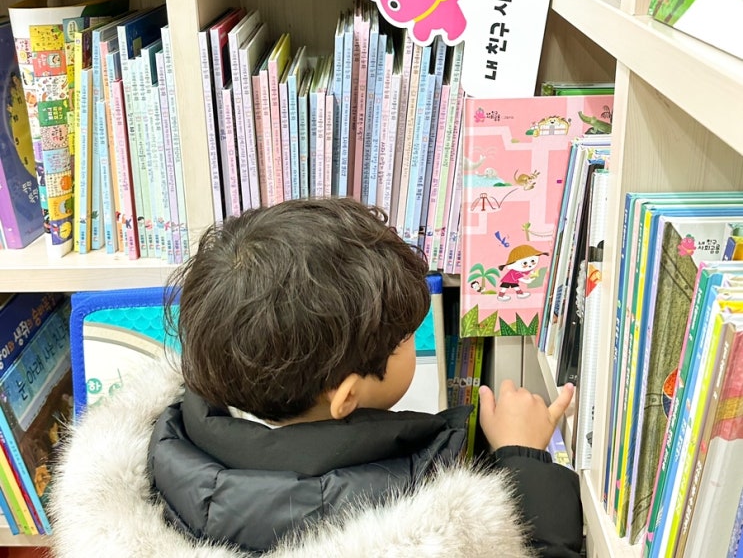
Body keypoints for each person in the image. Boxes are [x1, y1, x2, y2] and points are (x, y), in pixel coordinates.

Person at [49, 198, 583, 557]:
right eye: (404, 339)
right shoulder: (432, 530)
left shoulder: (130, 479)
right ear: (346, 397)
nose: (410, 341)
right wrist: (523, 461)